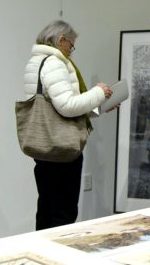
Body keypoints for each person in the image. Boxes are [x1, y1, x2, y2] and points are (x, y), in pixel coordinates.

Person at [22, 20, 113, 230]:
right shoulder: (54, 63)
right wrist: (98, 92)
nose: (72, 51)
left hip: (45, 146)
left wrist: (99, 105)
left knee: (47, 205)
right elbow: (67, 106)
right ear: (61, 40)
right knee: (64, 210)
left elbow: (56, 107)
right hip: (61, 149)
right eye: (71, 45)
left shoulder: (35, 61)